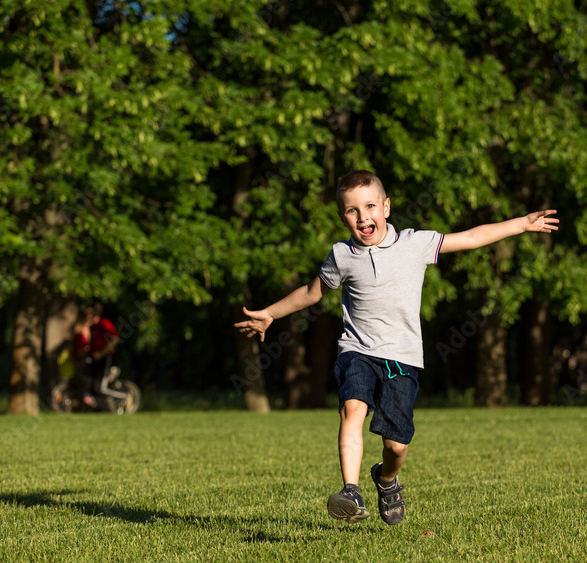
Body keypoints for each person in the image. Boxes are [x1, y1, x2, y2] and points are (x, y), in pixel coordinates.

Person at [234, 170, 559, 526]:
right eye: (352, 210)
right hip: (356, 350)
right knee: (352, 409)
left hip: (402, 359)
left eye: (370, 206)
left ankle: (386, 480)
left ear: (386, 207)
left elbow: (469, 237)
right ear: (343, 217)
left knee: (396, 446)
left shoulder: (414, 244)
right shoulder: (342, 255)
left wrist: (520, 224)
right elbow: (312, 293)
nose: (362, 216)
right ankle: (350, 491)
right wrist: (269, 314)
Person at [77, 302, 120, 407]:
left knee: (100, 387)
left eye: (89, 313)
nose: (87, 316)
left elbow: (115, 339)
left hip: (105, 357)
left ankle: (125, 396)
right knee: (92, 385)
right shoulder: (92, 326)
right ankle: (102, 408)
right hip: (95, 358)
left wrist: (102, 353)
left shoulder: (104, 323)